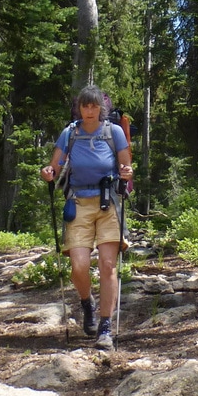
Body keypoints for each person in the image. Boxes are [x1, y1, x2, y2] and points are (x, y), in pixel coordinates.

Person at [40, 84, 133, 349]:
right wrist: (48, 172)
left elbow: (127, 166)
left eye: (94, 106)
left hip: (108, 205)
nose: (89, 111)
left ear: (101, 109)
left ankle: (105, 328)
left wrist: (127, 174)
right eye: (85, 106)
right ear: (79, 108)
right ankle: (87, 303)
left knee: (107, 264)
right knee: (79, 265)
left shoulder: (114, 132)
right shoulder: (69, 133)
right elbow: (53, 166)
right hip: (78, 203)